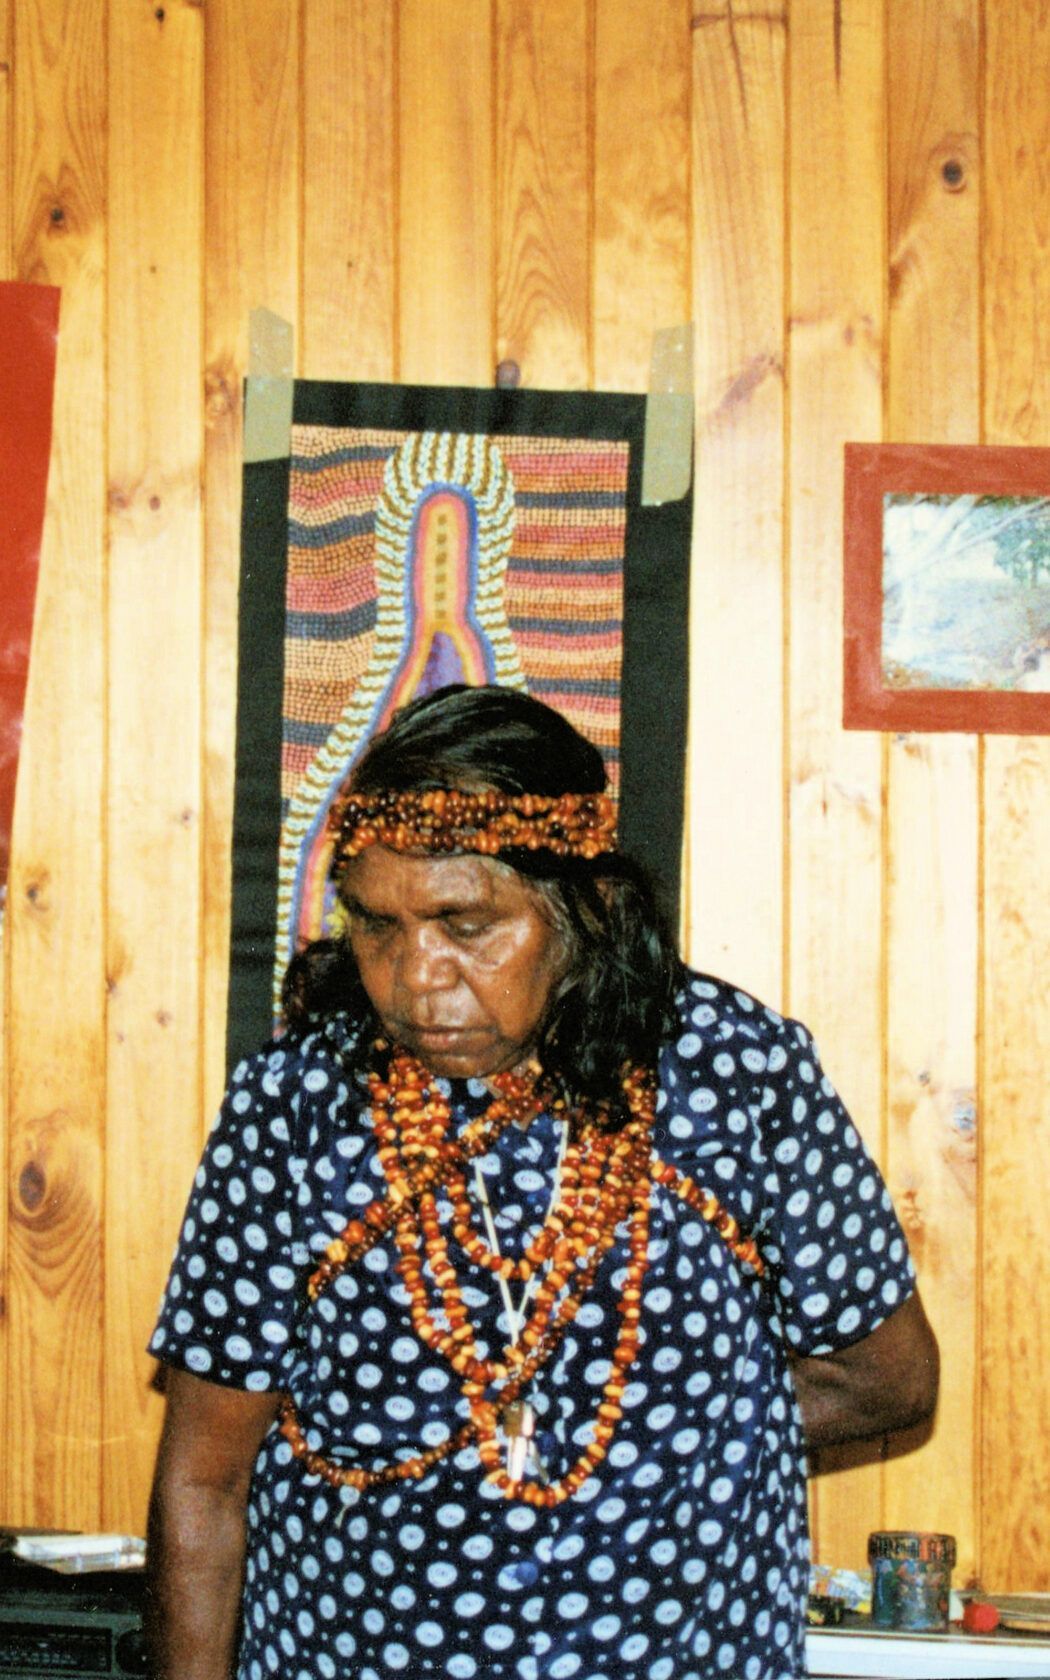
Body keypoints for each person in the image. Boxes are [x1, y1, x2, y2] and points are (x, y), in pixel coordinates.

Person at [145, 684, 938, 1680]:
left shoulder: (739, 1076)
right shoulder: (295, 1111)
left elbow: (892, 1379)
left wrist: (661, 1446)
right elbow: (203, 1483)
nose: (415, 978)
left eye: (466, 925)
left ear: (586, 906)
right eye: (379, 926)